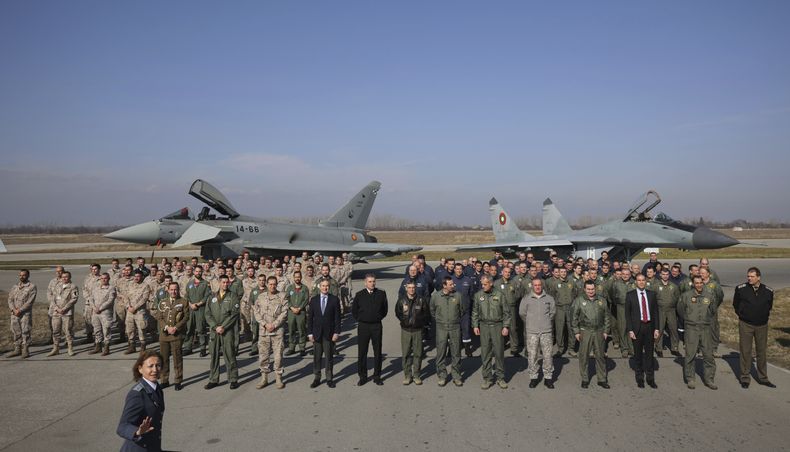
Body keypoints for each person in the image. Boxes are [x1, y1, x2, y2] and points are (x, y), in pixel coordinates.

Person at [733, 267, 775, 388]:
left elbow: (769, 306)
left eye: (752, 276)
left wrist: (763, 316)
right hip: (746, 324)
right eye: (748, 276)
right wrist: (742, 314)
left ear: (758, 277)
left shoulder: (768, 291)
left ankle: (763, 378)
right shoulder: (741, 289)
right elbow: (736, 304)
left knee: (761, 351)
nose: (749, 278)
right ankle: (745, 378)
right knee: (745, 351)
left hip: (762, 325)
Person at [117, 350, 165, 451]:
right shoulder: (137, 394)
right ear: (140, 369)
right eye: (150, 366)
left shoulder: (157, 388)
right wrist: (137, 431)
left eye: (158, 365)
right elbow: (122, 427)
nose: (155, 370)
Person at [677, 276, 718, 390]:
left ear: (703, 283)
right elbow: (680, 310)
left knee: (708, 355)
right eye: (697, 283)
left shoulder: (709, 295)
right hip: (691, 328)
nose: (699, 285)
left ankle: (709, 379)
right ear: (693, 284)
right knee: (690, 354)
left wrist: (705, 319)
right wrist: (689, 318)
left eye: (700, 283)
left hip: (705, 328)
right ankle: (690, 378)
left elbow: (713, 310)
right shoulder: (686, 296)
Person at [472, 275, 510, 389]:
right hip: (484, 326)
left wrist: (506, 326)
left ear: (491, 283)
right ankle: (487, 378)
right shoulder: (478, 295)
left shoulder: (500, 295)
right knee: (485, 353)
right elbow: (475, 311)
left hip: (497, 326)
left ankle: (500, 378)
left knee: (499, 353)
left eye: (485, 284)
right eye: (482, 284)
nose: (483, 286)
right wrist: (475, 325)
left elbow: (506, 312)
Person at [572, 280, 611, 389]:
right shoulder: (579, 300)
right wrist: (576, 331)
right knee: (584, 356)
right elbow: (574, 317)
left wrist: (606, 331)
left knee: (600, 356)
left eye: (592, 289)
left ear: (595, 289)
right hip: (585, 331)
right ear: (584, 289)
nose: (590, 291)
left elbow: (607, 316)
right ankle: (585, 379)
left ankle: (602, 379)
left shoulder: (602, 300)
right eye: (588, 289)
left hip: (599, 331)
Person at [204, 275, 241, 390]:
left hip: (227, 330)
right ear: (219, 283)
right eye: (223, 282)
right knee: (214, 355)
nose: (225, 284)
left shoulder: (233, 296)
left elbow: (234, 314)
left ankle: (233, 379)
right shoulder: (212, 296)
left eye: (227, 282)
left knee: (229, 354)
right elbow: (207, 314)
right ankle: (213, 379)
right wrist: (215, 327)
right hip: (214, 330)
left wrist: (223, 326)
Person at [352, 274, 388, 386]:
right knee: (362, 352)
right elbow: (354, 311)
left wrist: (377, 317)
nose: (372, 284)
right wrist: (361, 318)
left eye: (373, 281)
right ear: (365, 282)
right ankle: (363, 376)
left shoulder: (381, 294)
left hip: (376, 326)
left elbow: (385, 309)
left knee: (377, 351)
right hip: (363, 326)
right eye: (370, 281)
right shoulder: (359, 295)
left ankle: (377, 376)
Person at [625, 274, 660, 388]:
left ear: (646, 281)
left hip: (649, 327)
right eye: (639, 280)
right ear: (635, 282)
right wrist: (630, 330)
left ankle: (650, 378)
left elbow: (656, 312)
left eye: (643, 280)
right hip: (637, 328)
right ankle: (639, 378)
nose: (641, 282)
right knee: (638, 354)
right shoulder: (630, 295)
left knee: (649, 354)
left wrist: (657, 328)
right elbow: (627, 315)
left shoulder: (652, 294)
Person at [520, 278, 556, 388]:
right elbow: (522, 313)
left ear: (542, 285)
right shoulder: (526, 299)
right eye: (535, 285)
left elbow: (552, 313)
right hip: (532, 332)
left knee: (548, 355)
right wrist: (531, 322)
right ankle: (533, 377)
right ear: (532, 286)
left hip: (546, 331)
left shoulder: (549, 298)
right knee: (532, 355)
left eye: (539, 285)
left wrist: (545, 322)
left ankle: (548, 378)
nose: (537, 287)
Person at [253, 276, 288, 390]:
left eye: (274, 284)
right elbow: (256, 312)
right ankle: (264, 378)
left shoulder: (282, 296)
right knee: (263, 356)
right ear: (267, 284)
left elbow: (284, 312)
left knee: (278, 356)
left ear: (277, 284)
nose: (272, 286)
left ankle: (278, 378)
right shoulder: (261, 296)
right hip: (264, 331)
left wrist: (274, 324)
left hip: (277, 331)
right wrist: (265, 324)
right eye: (270, 284)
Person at [307, 280, 342, 388]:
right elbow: (310, 318)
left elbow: (337, 318)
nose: (325, 288)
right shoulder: (314, 300)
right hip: (317, 333)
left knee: (328, 357)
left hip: (329, 333)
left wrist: (336, 332)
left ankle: (329, 378)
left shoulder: (334, 299)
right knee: (317, 357)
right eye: (323, 286)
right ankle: (317, 378)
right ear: (319, 287)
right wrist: (310, 333)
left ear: (329, 287)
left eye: (327, 286)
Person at [430, 276, 464, 387]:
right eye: (450, 284)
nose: (453, 286)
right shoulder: (436, 296)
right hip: (441, 327)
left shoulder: (458, 296)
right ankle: (442, 376)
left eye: (453, 284)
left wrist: (454, 320)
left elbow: (462, 310)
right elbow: (432, 310)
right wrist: (440, 320)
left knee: (456, 352)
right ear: (444, 285)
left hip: (455, 327)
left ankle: (456, 376)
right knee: (441, 352)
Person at [395, 281, 429, 385]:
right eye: (409, 287)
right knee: (406, 354)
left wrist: (419, 322)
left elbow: (426, 313)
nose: (411, 289)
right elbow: (398, 312)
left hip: (417, 330)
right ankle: (407, 375)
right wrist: (404, 321)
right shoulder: (401, 300)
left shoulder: (421, 300)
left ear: (415, 288)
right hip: (405, 330)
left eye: (413, 287)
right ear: (406, 288)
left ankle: (417, 375)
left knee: (418, 354)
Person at [157, 282, 189, 391]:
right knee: (163, 359)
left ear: (178, 290)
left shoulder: (183, 302)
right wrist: (166, 327)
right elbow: (159, 317)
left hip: (176, 334)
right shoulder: (163, 302)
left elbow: (186, 317)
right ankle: (164, 380)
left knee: (177, 359)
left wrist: (176, 327)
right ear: (168, 290)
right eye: (171, 289)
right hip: (164, 335)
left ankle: (178, 380)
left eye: (175, 289)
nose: (173, 292)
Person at [6, 269, 36, 359]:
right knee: (16, 331)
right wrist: (13, 309)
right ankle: (17, 349)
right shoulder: (15, 286)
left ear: (28, 276)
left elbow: (30, 301)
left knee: (25, 331)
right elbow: (10, 299)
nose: (21, 277)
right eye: (20, 275)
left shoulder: (32, 287)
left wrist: (20, 310)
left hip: (25, 313)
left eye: (24, 275)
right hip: (14, 313)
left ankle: (25, 349)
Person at [48, 271, 79, 357]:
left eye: (66, 277)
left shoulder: (73, 287)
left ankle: (70, 348)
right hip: (56, 312)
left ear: (70, 277)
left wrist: (64, 309)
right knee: (56, 331)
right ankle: (56, 348)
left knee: (68, 331)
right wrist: (56, 308)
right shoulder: (57, 286)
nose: (64, 278)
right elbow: (52, 298)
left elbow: (74, 299)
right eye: (63, 277)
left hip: (67, 312)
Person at [183, 266, 211, 357]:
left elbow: (207, 296)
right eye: (196, 271)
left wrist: (198, 304)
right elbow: (186, 296)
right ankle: (188, 347)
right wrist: (191, 304)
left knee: (201, 329)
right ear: (194, 272)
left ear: (202, 272)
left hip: (200, 309)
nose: (198, 273)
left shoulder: (205, 283)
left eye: (200, 271)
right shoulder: (189, 283)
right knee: (189, 329)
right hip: (190, 309)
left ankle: (203, 348)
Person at [654, 268, 681, 357]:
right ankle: (658, 348)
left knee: (673, 329)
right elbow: (652, 298)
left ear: (669, 275)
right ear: (660, 275)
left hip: (671, 310)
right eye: (663, 274)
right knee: (660, 329)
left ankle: (675, 348)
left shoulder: (674, 286)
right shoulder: (656, 286)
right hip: (660, 310)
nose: (665, 276)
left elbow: (677, 298)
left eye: (666, 274)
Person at [90, 273, 116, 356]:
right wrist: (94, 307)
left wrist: (100, 308)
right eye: (102, 278)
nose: (103, 280)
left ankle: (106, 347)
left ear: (108, 279)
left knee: (106, 330)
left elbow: (110, 300)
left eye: (105, 278)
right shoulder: (96, 288)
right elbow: (91, 299)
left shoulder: (111, 288)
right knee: (97, 329)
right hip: (95, 312)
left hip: (105, 313)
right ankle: (98, 346)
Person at [285, 270, 310, 357]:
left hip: (301, 312)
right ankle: (291, 348)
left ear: (301, 277)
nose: (297, 278)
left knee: (301, 330)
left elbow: (306, 299)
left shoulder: (305, 288)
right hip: (291, 312)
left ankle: (302, 348)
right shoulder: (290, 288)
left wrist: (299, 308)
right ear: (293, 278)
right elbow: (286, 299)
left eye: (298, 277)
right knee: (291, 330)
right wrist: (291, 307)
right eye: (296, 277)